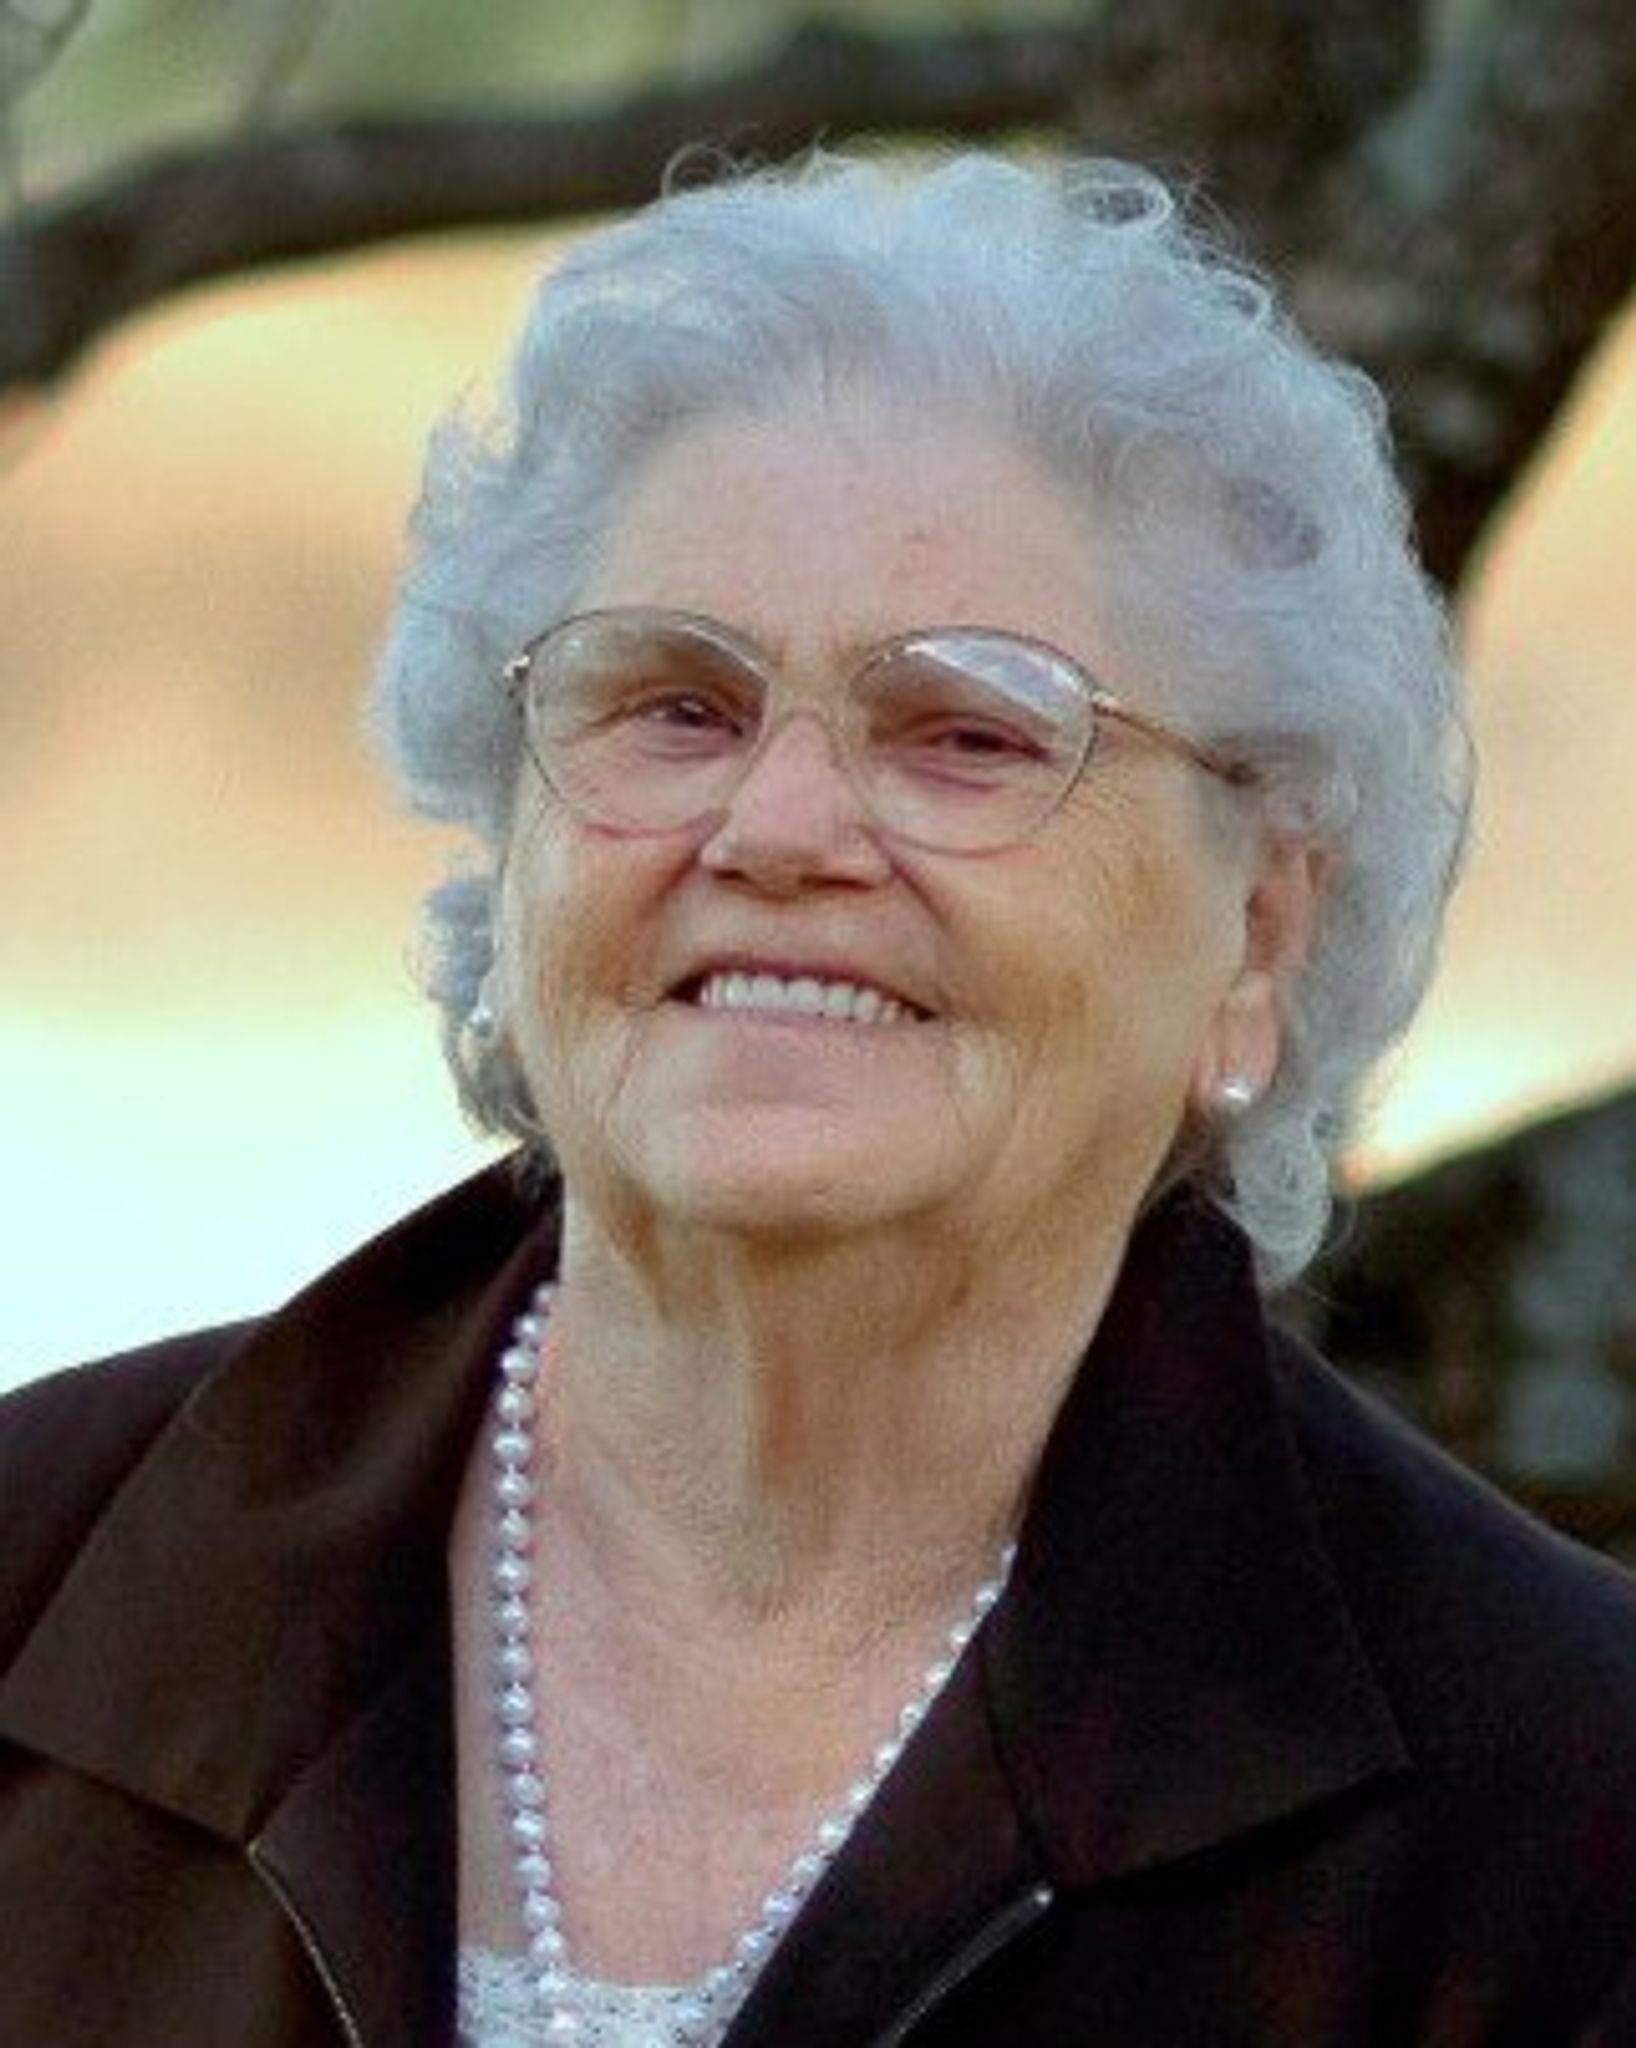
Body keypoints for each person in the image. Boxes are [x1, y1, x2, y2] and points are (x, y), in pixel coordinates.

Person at [3, 148, 1636, 2048]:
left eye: (968, 734)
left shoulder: (1564, 1822)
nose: (779, 828)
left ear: (1258, 938)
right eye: (675, 707)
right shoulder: (42, 1590)